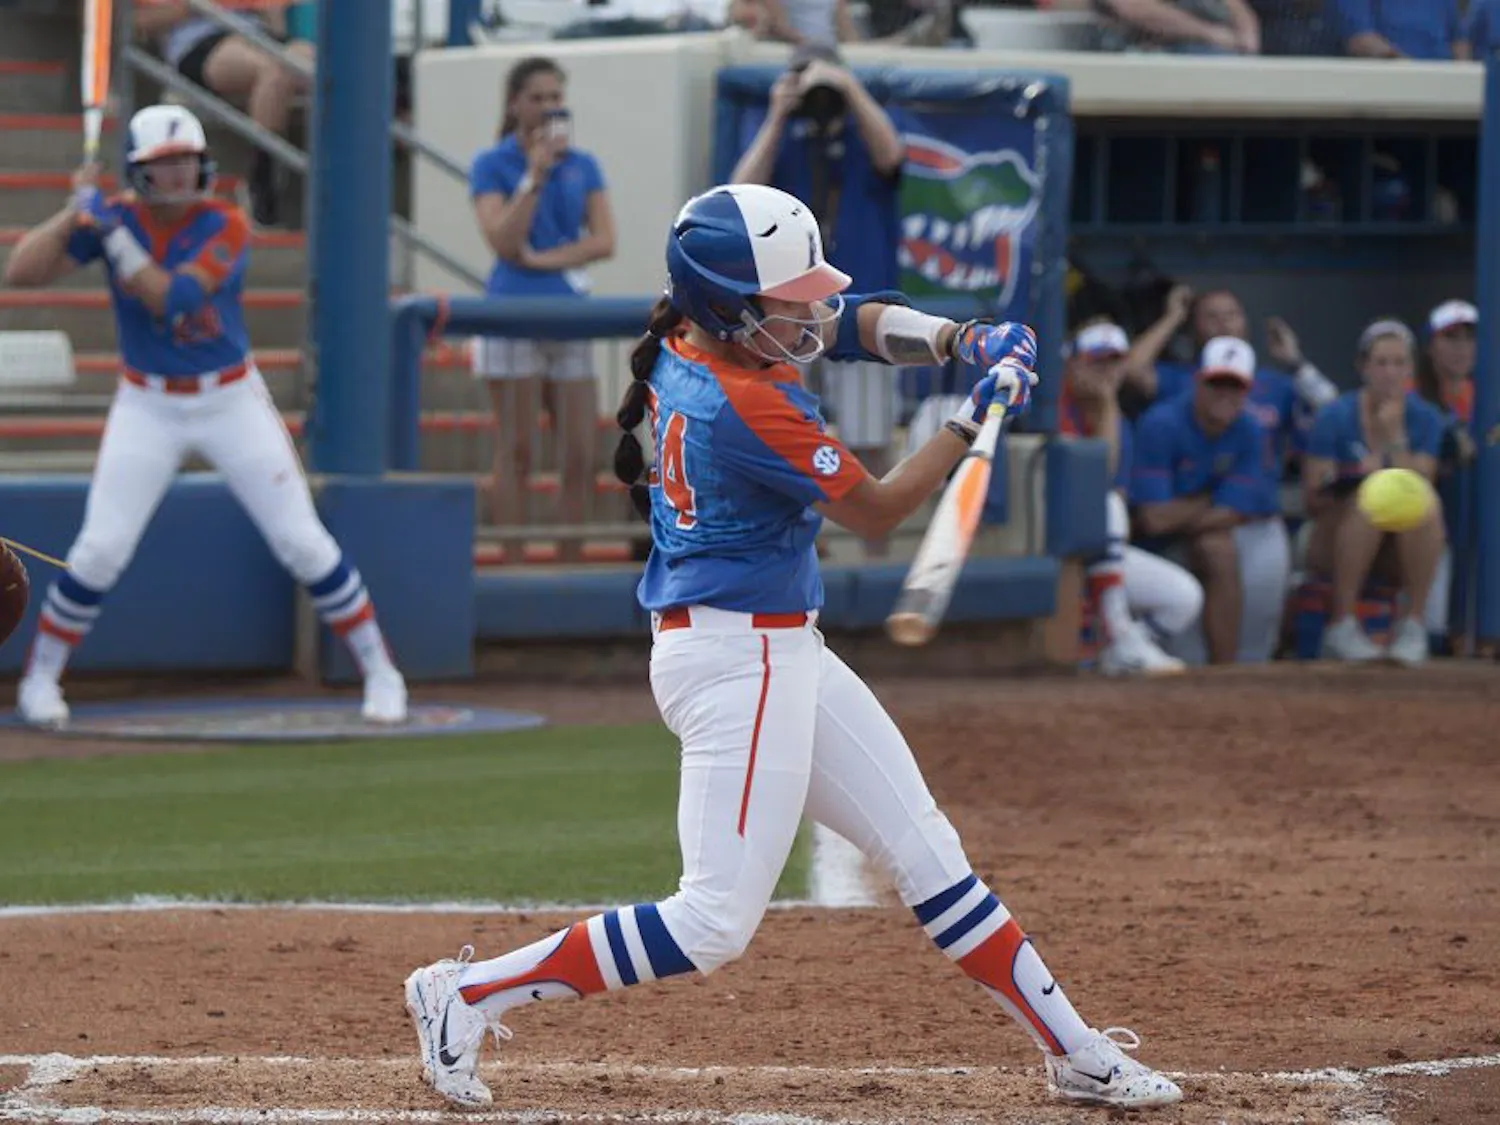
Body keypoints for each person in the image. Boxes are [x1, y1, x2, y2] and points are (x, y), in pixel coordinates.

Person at [402, 184, 1183, 1113]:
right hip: (739, 664)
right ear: (732, 308)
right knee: (712, 922)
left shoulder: (697, 338)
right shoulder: (746, 402)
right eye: (787, 299)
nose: (811, 313)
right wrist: (972, 417)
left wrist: (958, 339)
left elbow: (848, 318)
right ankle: (465, 992)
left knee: (928, 853)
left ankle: (1075, 1049)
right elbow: (880, 511)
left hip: (775, 650)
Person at [1, 104, 408, 727]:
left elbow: (173, 298)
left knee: (301, 540)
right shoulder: (117, 217)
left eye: (187, 161)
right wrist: (73, 210)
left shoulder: (225, 224)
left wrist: (109, 231)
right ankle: (41, 679)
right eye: (165, 166)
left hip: (228, 398)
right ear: (139, 172)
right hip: (148, 401)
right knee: (100, 549)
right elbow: (22, 271)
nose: (181, 175)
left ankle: (381, 670)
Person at [730, 44, 909, 555]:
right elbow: (737, 193)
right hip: (787, 311)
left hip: (858, 304)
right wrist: (779, 113)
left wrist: (847, 87)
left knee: (871, 435)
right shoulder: (784, 134)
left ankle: (878, 552)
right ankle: (803, 546)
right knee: (790, 432)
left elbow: (891, 157)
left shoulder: (863, 126)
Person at [469, 57, 615, 564]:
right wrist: (533, 177)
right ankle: (511, 560)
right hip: (511, 314)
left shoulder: (584, 163)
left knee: (580, 451)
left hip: (569, 316)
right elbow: (503, 242)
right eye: (539, 97)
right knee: (517, 450)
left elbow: (603, 239)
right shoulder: (492, 164)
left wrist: (545, 258)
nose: (551, 107)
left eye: (556, 96)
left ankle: (568, 560)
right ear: (516, 104)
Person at [1130, 337, 1289, 665]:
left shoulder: (1250, 430)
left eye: (1235, 387)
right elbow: (1152, 520)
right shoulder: (1163, 423)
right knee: (1214, 540)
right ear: (1198, 381)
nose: (1225, 395)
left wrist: (1188, 509)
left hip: (1198, 535)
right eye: (1217, 384)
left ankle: (1224, 672)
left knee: (1219, 547)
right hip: (1146, 545)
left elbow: (1235, 512)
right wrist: (1212, 500)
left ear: (1247, 392)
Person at [1302, 320, 1448, 666]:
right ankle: (1341, 625)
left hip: (1399, 546)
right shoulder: (1335, 415)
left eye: (1399, 363)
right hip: (1334, 534)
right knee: (1372, 497)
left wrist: (1393, 436)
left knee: (1423, 504)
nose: (1390, 373)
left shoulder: (1425, 417)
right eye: (1381, 363)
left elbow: (1423, 479)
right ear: (1363, 366)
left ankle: (1413, 625)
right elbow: (1312, 498)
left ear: (1411, 368)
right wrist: (1354, 476)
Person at [1059, 322, 1201, 675]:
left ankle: (1121, 646)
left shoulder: (1119, 422)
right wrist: (1107, 406)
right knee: (1108, 505)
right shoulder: (1052, 405)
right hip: (1051, 542)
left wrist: (1108, 409)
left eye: (1114, 362)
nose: (1106, 372)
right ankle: (1118, 634)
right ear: (1073, 363)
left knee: (1184, 598)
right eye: (1096, 362)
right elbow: (1095, 487)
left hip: (1097, 553)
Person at [134, 0, 313, 228]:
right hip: (201, 41)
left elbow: (274, 20)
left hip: (256, 32)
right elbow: (140, 22)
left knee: (312, 59)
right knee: (274, 70)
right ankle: (262, 181)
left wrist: (270, 14)